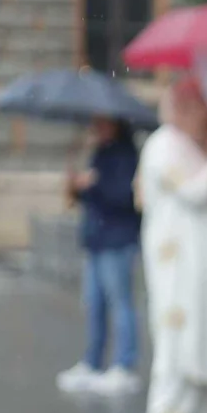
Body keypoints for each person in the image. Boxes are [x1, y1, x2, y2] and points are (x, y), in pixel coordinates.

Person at [138, 77, 207, 413]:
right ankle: (166, 411)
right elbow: (193, 191)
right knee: (177, 332)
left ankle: (202, 412)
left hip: (206, 258)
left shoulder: (198, 144)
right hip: (176, 262)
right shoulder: (163, 144)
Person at [56, 117, 143, 396]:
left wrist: (95, 183)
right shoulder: (100, 153)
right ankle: (92, 362)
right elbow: (95, 198)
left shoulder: (126, 155)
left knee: (120, 303)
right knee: (94, 304)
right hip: (96, 239)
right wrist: (78, 187)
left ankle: (123, 364)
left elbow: (126, 197)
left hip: (117, 239)